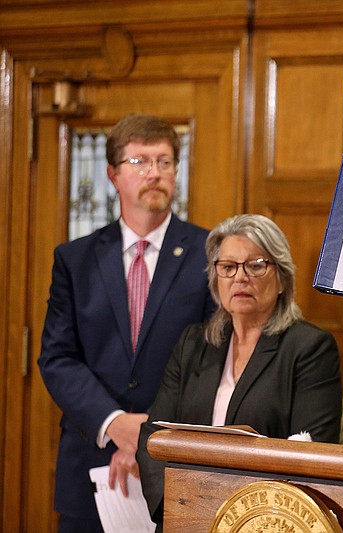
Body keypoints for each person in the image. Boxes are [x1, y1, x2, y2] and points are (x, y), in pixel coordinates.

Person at [38, 114, 217, 533]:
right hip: (91, 466)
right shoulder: (75, 259)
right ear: (112, 175)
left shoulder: (210, 255)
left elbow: (213, 359)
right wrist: (114, 424)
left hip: (178, 466)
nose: (154, 172)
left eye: (165, 161)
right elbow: (58, 357)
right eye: (140, 161)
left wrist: (148, 433)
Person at [137, 213, 342, 528]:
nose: (240, 277)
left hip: (264, 521)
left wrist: (245, 515)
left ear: (283, 278)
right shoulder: (193, 343)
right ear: (216, 280)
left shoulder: (309, 348)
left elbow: (310, 454)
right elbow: (154, 436)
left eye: (256, 265)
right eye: (228, 267)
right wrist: (176, 510)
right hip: (185, 517)